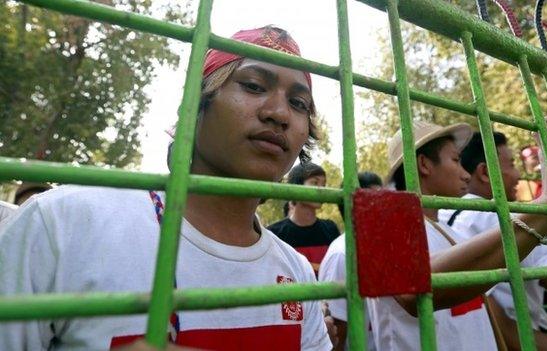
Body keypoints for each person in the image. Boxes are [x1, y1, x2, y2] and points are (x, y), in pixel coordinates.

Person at [0, 26, 332, 350]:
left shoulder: (297, 273)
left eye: (299, 104)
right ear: (195, 104)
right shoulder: (63, 225)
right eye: (254, 85)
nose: (279, 113)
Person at [367, 118, 547, 351]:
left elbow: (494, 321)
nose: (466, 175)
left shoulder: (451, 233)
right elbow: (412, 289)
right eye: (456, 160)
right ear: (424, 164)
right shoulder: (385, 219)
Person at [438, 132, 547, 350]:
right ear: (485, 172)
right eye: (512, 164)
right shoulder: (494, 218)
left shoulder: (445, 216)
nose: (518, 175)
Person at [318, 171, 383, 351]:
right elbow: (337, 330)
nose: (384, 206)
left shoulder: (381, 247)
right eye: (374, 200)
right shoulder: (342, 253)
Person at [268, 162, 341, 273]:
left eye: (324, 184)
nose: (322, 189)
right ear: (296, 186)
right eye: (315, 183)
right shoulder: (275, 233)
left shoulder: (330, 228)